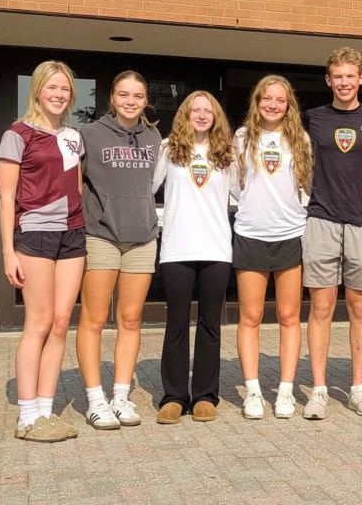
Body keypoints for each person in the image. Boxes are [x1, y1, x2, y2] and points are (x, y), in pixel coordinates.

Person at [0, 60, 85, 442]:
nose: (59, 94)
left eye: (65, 89)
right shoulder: (17, 134)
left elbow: (76, 188)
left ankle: (46, 412)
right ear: (37, 90)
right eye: (52, 87)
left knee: (62, 321)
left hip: (74, 235)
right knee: (39, 321)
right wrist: (8, 251)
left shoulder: (73, 136)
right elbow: (5, 196)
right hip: (35, 234)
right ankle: (26, 415)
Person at [301, 47, 362, 420]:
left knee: (360, 309)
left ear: (361, 78)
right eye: (337, 76)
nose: (344, 82)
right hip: (320, 221)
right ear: (328, 80)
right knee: (320, 308)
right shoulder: (311, 119)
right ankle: (318, 390)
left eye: (350, 76)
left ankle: (357, 388)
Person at [77, 70, 161, 430]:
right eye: (124, 95)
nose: (131, 101)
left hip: (142, 237)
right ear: (112, 98)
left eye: (137, 96)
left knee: (130, 320)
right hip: (101, 235)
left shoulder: (155, 137)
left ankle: (121, 396)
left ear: (145, 101)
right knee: (94, 320)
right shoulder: (89, 134)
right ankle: (96, 399)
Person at [151, 91, 236, 424]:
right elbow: (147, 188)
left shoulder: (227, 153)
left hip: (216, 249)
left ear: (216, 116)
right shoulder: (168, 148)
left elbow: (244, 192)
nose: (201, 115)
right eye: (195, 110)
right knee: (176, 324)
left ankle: (204, 396)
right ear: (185, 114)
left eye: (208, 111)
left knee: (210, 324)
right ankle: (173, 396)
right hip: (177, 249)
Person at [232, 75, 312, 419]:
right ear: (257, 101)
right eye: (267, 99)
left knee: (288, 316)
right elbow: (234, 186)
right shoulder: (242, 137)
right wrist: (253, 208)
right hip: (251, 233)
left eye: (280, 100)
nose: (273, 105)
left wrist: (293, 212)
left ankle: (285, 391)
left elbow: (305, 185)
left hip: (290, 234)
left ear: (288, 104)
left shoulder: (300, 139)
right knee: (250, 317)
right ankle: (252, 391)